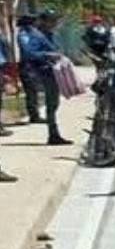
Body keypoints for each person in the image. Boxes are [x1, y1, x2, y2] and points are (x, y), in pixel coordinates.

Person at [18, 9, 71, 146]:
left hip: (53, 72)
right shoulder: (35, 35)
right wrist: (48, 55)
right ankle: (53, 134)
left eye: (54, 20)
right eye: (51, 20)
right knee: (51, 103)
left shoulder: (49, 35)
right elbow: (29, 53)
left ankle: (54, 133)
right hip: (45, 71)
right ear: (43, 21)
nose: (54, 23)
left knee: (54, 103)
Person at [15, 14, 42, 124]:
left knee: (34, 90)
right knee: (31, 91)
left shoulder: (30, 34)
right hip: (26, 66)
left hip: (32, 66)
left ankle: (35, 114)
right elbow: (27, 50)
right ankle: (34, 115)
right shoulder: (23, 34)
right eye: (33, 22)